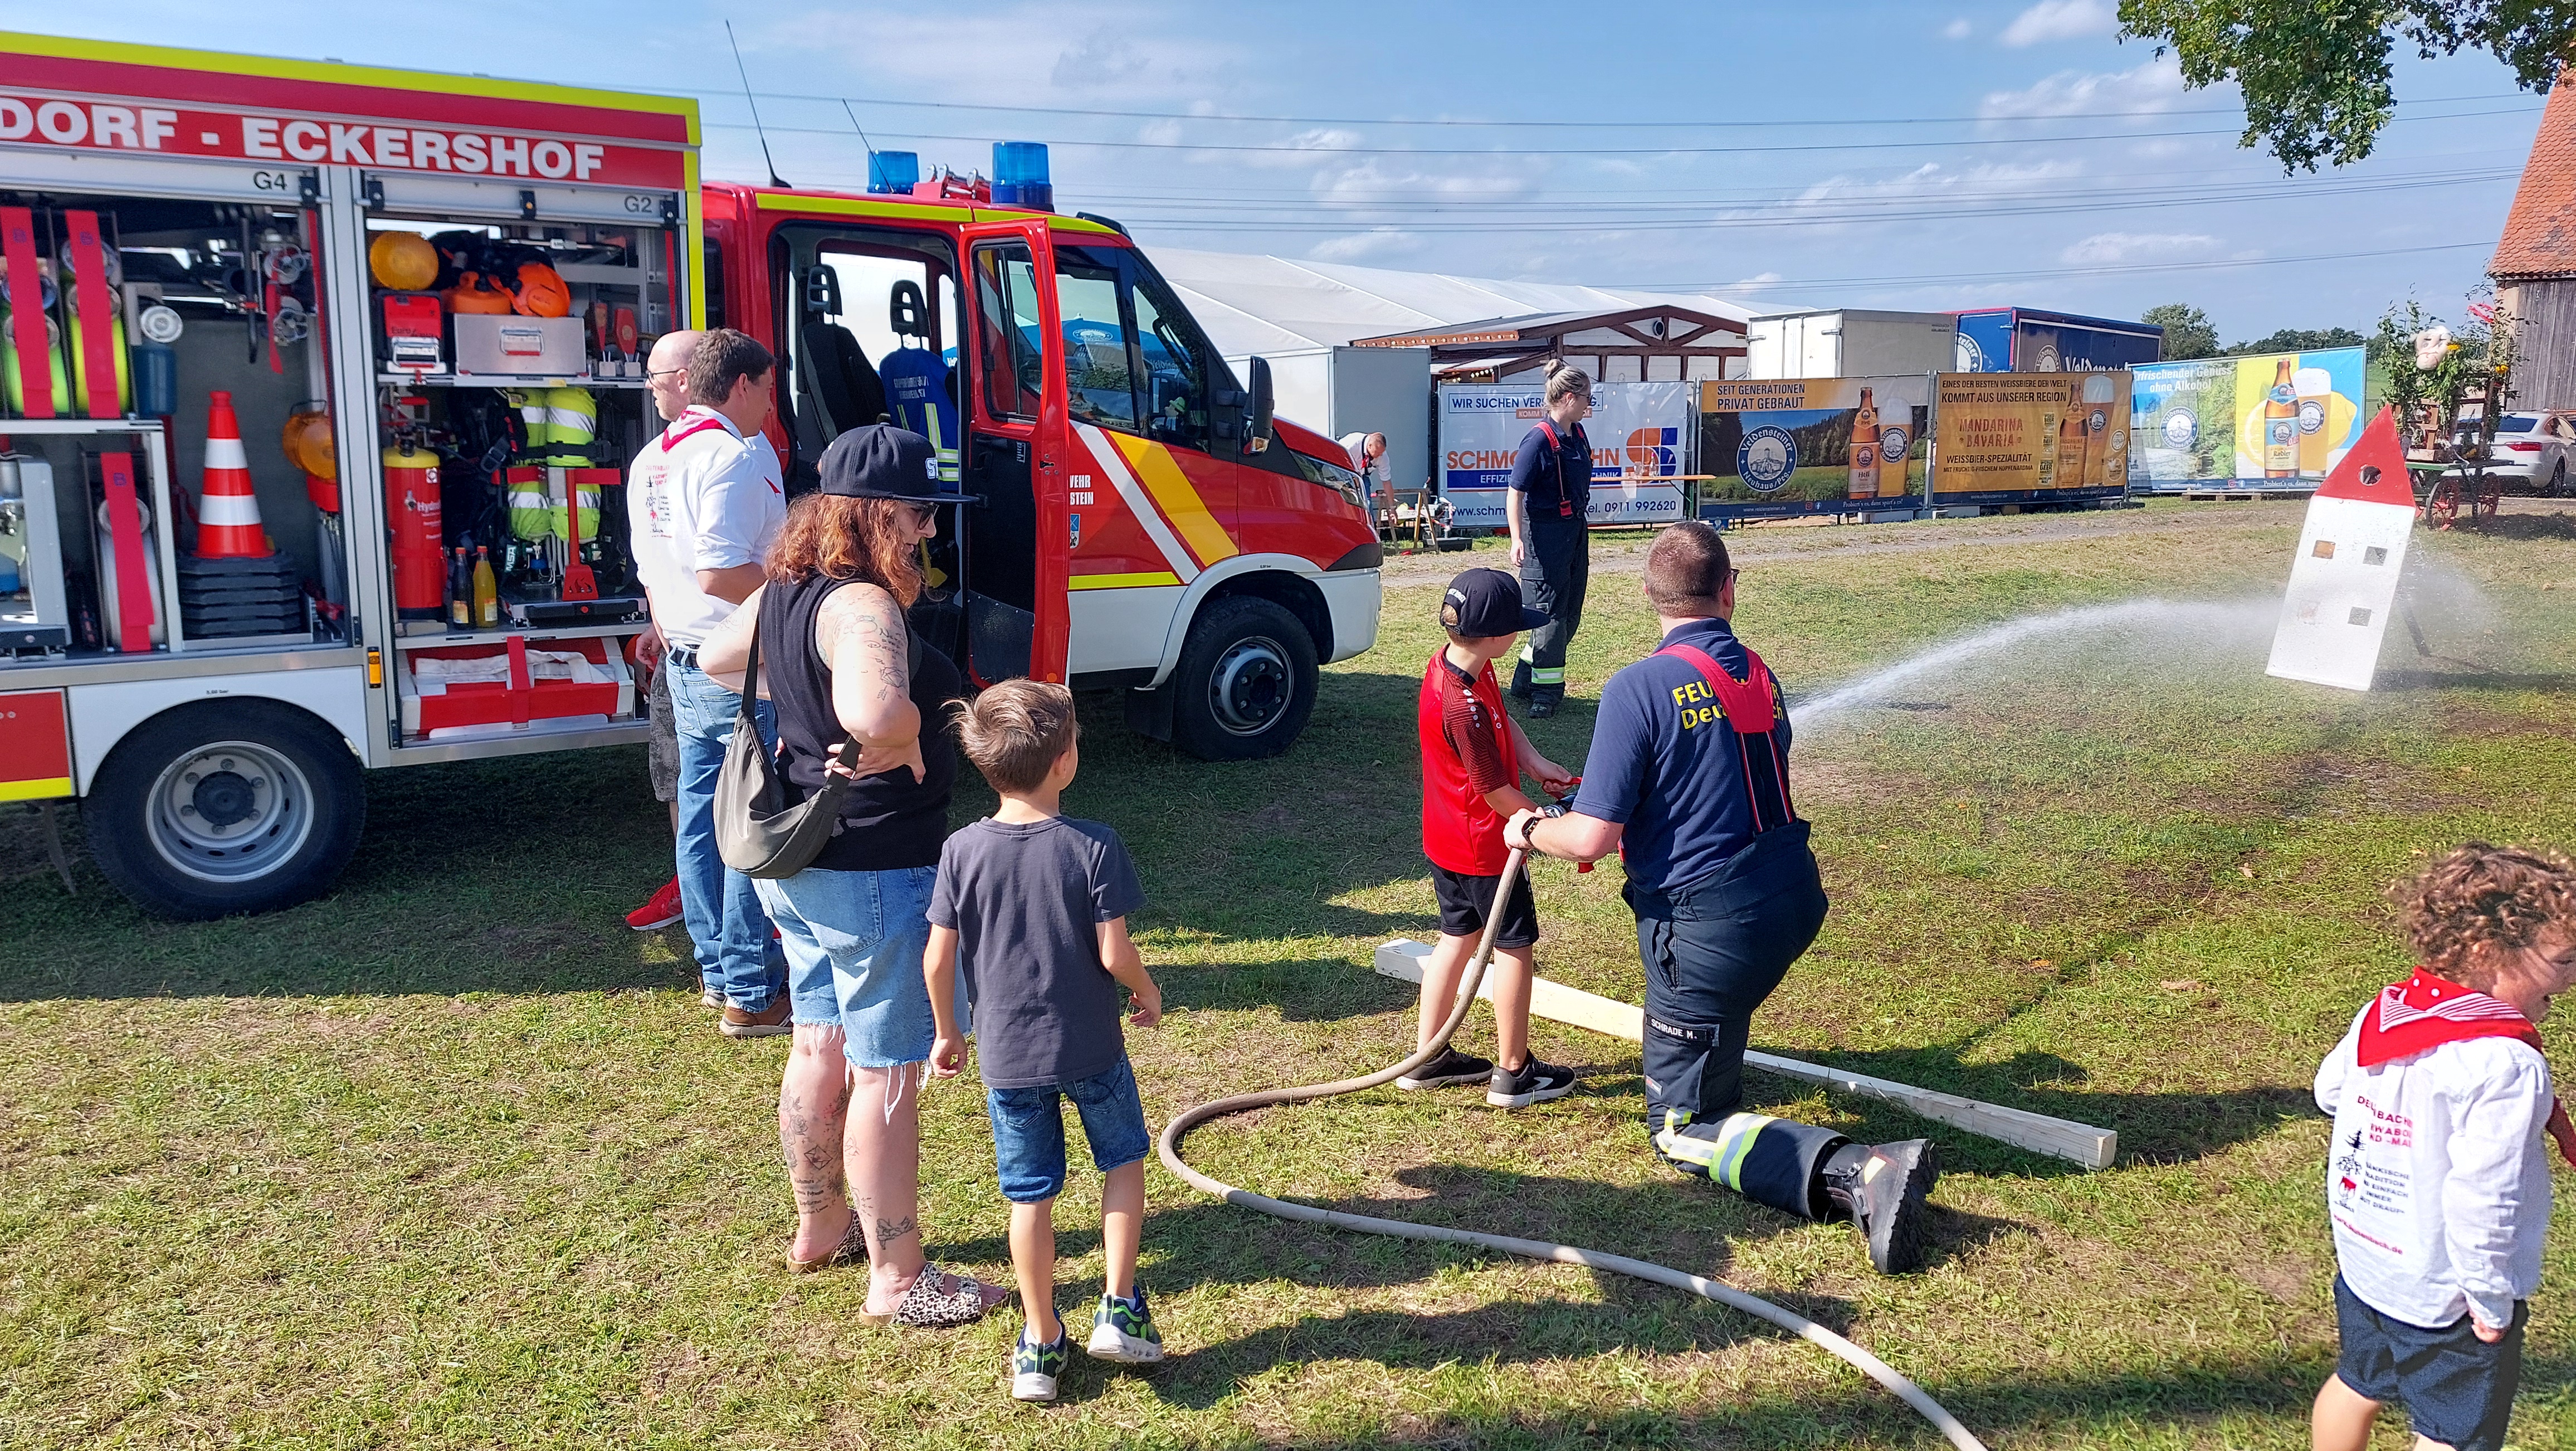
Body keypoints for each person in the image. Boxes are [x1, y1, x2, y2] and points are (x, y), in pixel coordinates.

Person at [1507, 521, 1939, 1274]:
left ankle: (1860, 1173)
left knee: (1679, 1126)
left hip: (1712, 932)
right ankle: (1715, 1060)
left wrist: (1524, 829)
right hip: (1790, 898)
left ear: (1649, 597)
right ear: (1730, 589)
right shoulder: (1759, 671)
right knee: (1711, 1024)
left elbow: (1589, 842)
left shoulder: (1639, 686)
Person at [695, 423, 1006, 1326]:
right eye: (916, 512)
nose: (927, 531)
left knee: (817, 1042)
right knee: (886, 1073)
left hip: (801, 865)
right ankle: (899, 1274)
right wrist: (899, 734)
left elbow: (719, 659)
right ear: (876, 513)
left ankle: (820, 1222)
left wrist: (807, 722)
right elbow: (873, 706)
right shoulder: (862, 602)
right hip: (875, 869)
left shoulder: (787, 586)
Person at [923, 679, 1167, 1403]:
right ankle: (1118, 1307)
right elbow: (1114, 953)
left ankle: (1039, 1340)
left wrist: (947, 1031)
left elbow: (938, 960)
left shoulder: (961, 851)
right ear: (1064, 762)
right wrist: (1146, 990)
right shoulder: (1094, 846)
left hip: (1006, 1057)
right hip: (1091, 1047)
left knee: (1029, 1198)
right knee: (1122, 1162)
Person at [2310, 843, 2576, 1451]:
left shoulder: (2389, 1010)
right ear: (2487, 953)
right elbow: (2485, 1199)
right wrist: (2487, 1301)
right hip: (2448, 1295)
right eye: (2562, 959)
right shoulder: (2505, 1065)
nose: (2572, 976)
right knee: (2450, 1434)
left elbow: (2330, 1091)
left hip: (2369, 1267)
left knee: (2356, 1383)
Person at [628, 328, 789, 1035]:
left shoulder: (651, 459)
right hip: (736, 663)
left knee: (700, 821)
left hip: (686, 656)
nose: (772, 403)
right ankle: (751, 993)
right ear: (741, 386)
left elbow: (652, 568)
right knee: (748, 823)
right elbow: (722, 570)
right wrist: (802, 599)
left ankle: (720, 971)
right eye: (768, 387)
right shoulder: (733, 455)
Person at [1398, 567, 1581, 1108]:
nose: (1520, 634)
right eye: (1515, 628)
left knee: (1457, 939)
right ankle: (1513, 1073)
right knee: (1514, 950)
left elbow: (1503, 723)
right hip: (1483, 846)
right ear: (1497, 636)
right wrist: (1544, 821)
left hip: (1446, 837)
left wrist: (1535, 760)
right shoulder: (1463, 705)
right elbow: (1496, 792)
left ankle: (1427, 1057)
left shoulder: (1458, 665)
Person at [622, 327, 702, 935]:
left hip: (722, 652)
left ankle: (737, 899)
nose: (647, 388)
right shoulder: (652, 460)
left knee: (732, 782)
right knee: (676, 773)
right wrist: (658, 620)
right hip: (678, 644)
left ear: (684, 379)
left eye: (654, 375)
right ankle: (691, 882)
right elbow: (653, 556)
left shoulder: (733, 452)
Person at [1506, 361, 1594, 717]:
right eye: (1587, 397)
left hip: (1574, 532)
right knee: (1549, 617)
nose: (1590, 404)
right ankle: (1546, 694)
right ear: (1569, 397)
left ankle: (1526, 677)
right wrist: (1516, 539)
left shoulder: (1578, 433)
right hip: (1544, 537)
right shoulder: (1539, 440)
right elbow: (1515, 493)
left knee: (1570, 614)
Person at [1340, 429, 1392, 526]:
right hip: (1343, 473)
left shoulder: (1382, 456)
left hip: (1362, 476)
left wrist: (1392, 508)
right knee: (1345, 504)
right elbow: (1337, 464)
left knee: (1367, 504)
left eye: (1381, 453)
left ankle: (1369, 530)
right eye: (1377, 453)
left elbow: (1387, 482)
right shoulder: (1351, 446)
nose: (1379, 456)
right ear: (1370, 446)